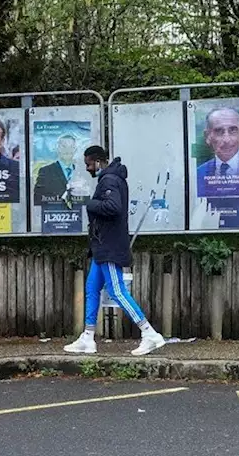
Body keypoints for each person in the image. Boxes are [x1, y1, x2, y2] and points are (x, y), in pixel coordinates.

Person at [63, 145, 167, 356]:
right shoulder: (109, 179)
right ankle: (88, 338)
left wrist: (89, 204)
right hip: (102, 247)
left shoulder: (109, 180)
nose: (88, 168)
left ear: (99, 162)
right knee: (92, 289)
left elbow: (113, 207)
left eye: (89, 164)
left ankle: (150, 334)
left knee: (117, 291)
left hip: (109, 247)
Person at [195, 107, 239, 183]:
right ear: (207, 136)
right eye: (218, 131)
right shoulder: (198, 174)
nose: (226, 140)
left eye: (232, 130)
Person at [33, 133, 85, 205]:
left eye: (71, 147)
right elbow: (37, 198)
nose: (67, 150)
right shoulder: (46, 171)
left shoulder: (82, 172)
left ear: (75, 150)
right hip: (52, 213)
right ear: (57, 149)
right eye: (64, 146)